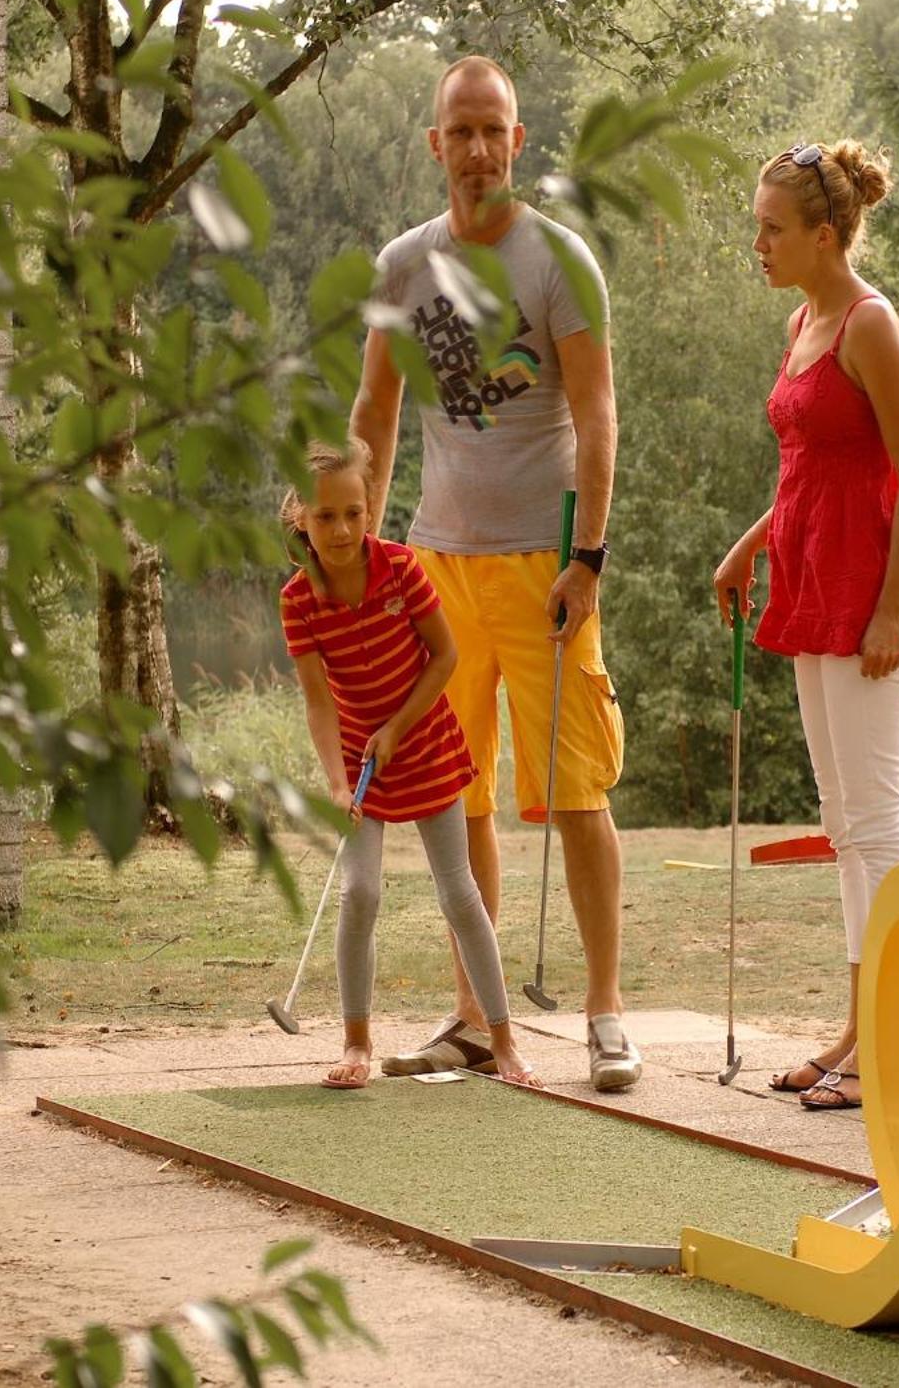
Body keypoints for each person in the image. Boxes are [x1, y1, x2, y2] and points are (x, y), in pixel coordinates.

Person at [350, 55, 641, 1092]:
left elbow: (598, 412)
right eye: (458, 131)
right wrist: (365, 548)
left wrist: (588, 558)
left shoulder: (558, 259)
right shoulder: (402, 265)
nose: (476, 149)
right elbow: (376, 415)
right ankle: (475, 1015)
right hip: (434, 571)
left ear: (519, 141)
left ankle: (605, 1012)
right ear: (433, 144)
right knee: (454, 798)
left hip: (544, 567)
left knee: (573, 793)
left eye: (493, 131)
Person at [713, 141, 899, 1111]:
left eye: (770, 229)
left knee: (873, 821)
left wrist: (889, 606)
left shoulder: (867, 323)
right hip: (809, 583)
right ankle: (859, 1029)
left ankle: (894, 1038)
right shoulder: (802, 320)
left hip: (864, 596)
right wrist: (748, 544)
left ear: (821, 235)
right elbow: (810, 464)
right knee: (840, 822)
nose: (756, 244)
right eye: (755, 226)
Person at [281, 439, 540, 1089]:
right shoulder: (297, 599)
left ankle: (503, 1043)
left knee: (459, 894)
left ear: (369, 510)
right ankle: (356, 1044)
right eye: (324, 517)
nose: (340, 529)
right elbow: (318, 702)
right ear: (300, 521)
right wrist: (336, 786)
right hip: (356, 758)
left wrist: (397, 726)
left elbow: (445, 658)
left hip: (423, 742)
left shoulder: (400, 567)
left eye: (352, 513)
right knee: (360, 890)